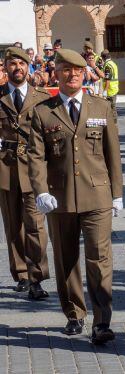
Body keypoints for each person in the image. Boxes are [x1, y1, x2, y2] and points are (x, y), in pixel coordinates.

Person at [28, 48, 123, 344]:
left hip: (97, 196)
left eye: (78, 71)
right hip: (60, 197)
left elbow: (113, 153)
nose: (72, 75)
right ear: (56, 72)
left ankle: (102, 322)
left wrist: (117, 193)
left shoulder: (101, 107)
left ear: (84, 74)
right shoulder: (43, 111)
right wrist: (41, 190)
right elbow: (36, 155)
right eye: (66, 70)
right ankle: (74, 313)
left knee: (99, 258)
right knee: (66, 258)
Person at [0, 47, 51, 299]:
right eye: (12, 63)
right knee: (13, 226)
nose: (17, 68)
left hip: (33, 170)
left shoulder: (41, 97)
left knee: (36, 225)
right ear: (5, 67)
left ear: (28, 67)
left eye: (21, 63)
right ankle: (20, 273)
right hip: (5, 169)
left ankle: (37, 278)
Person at [101, 50, 119, 115]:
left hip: (110, 89)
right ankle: (114, 124)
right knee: (112, 108)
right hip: (114, 88)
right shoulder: (113, 63)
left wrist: (105, 90)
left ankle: (114, 124)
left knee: (111, 109)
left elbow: (108, 79)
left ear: (103, 57)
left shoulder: (107, 65)